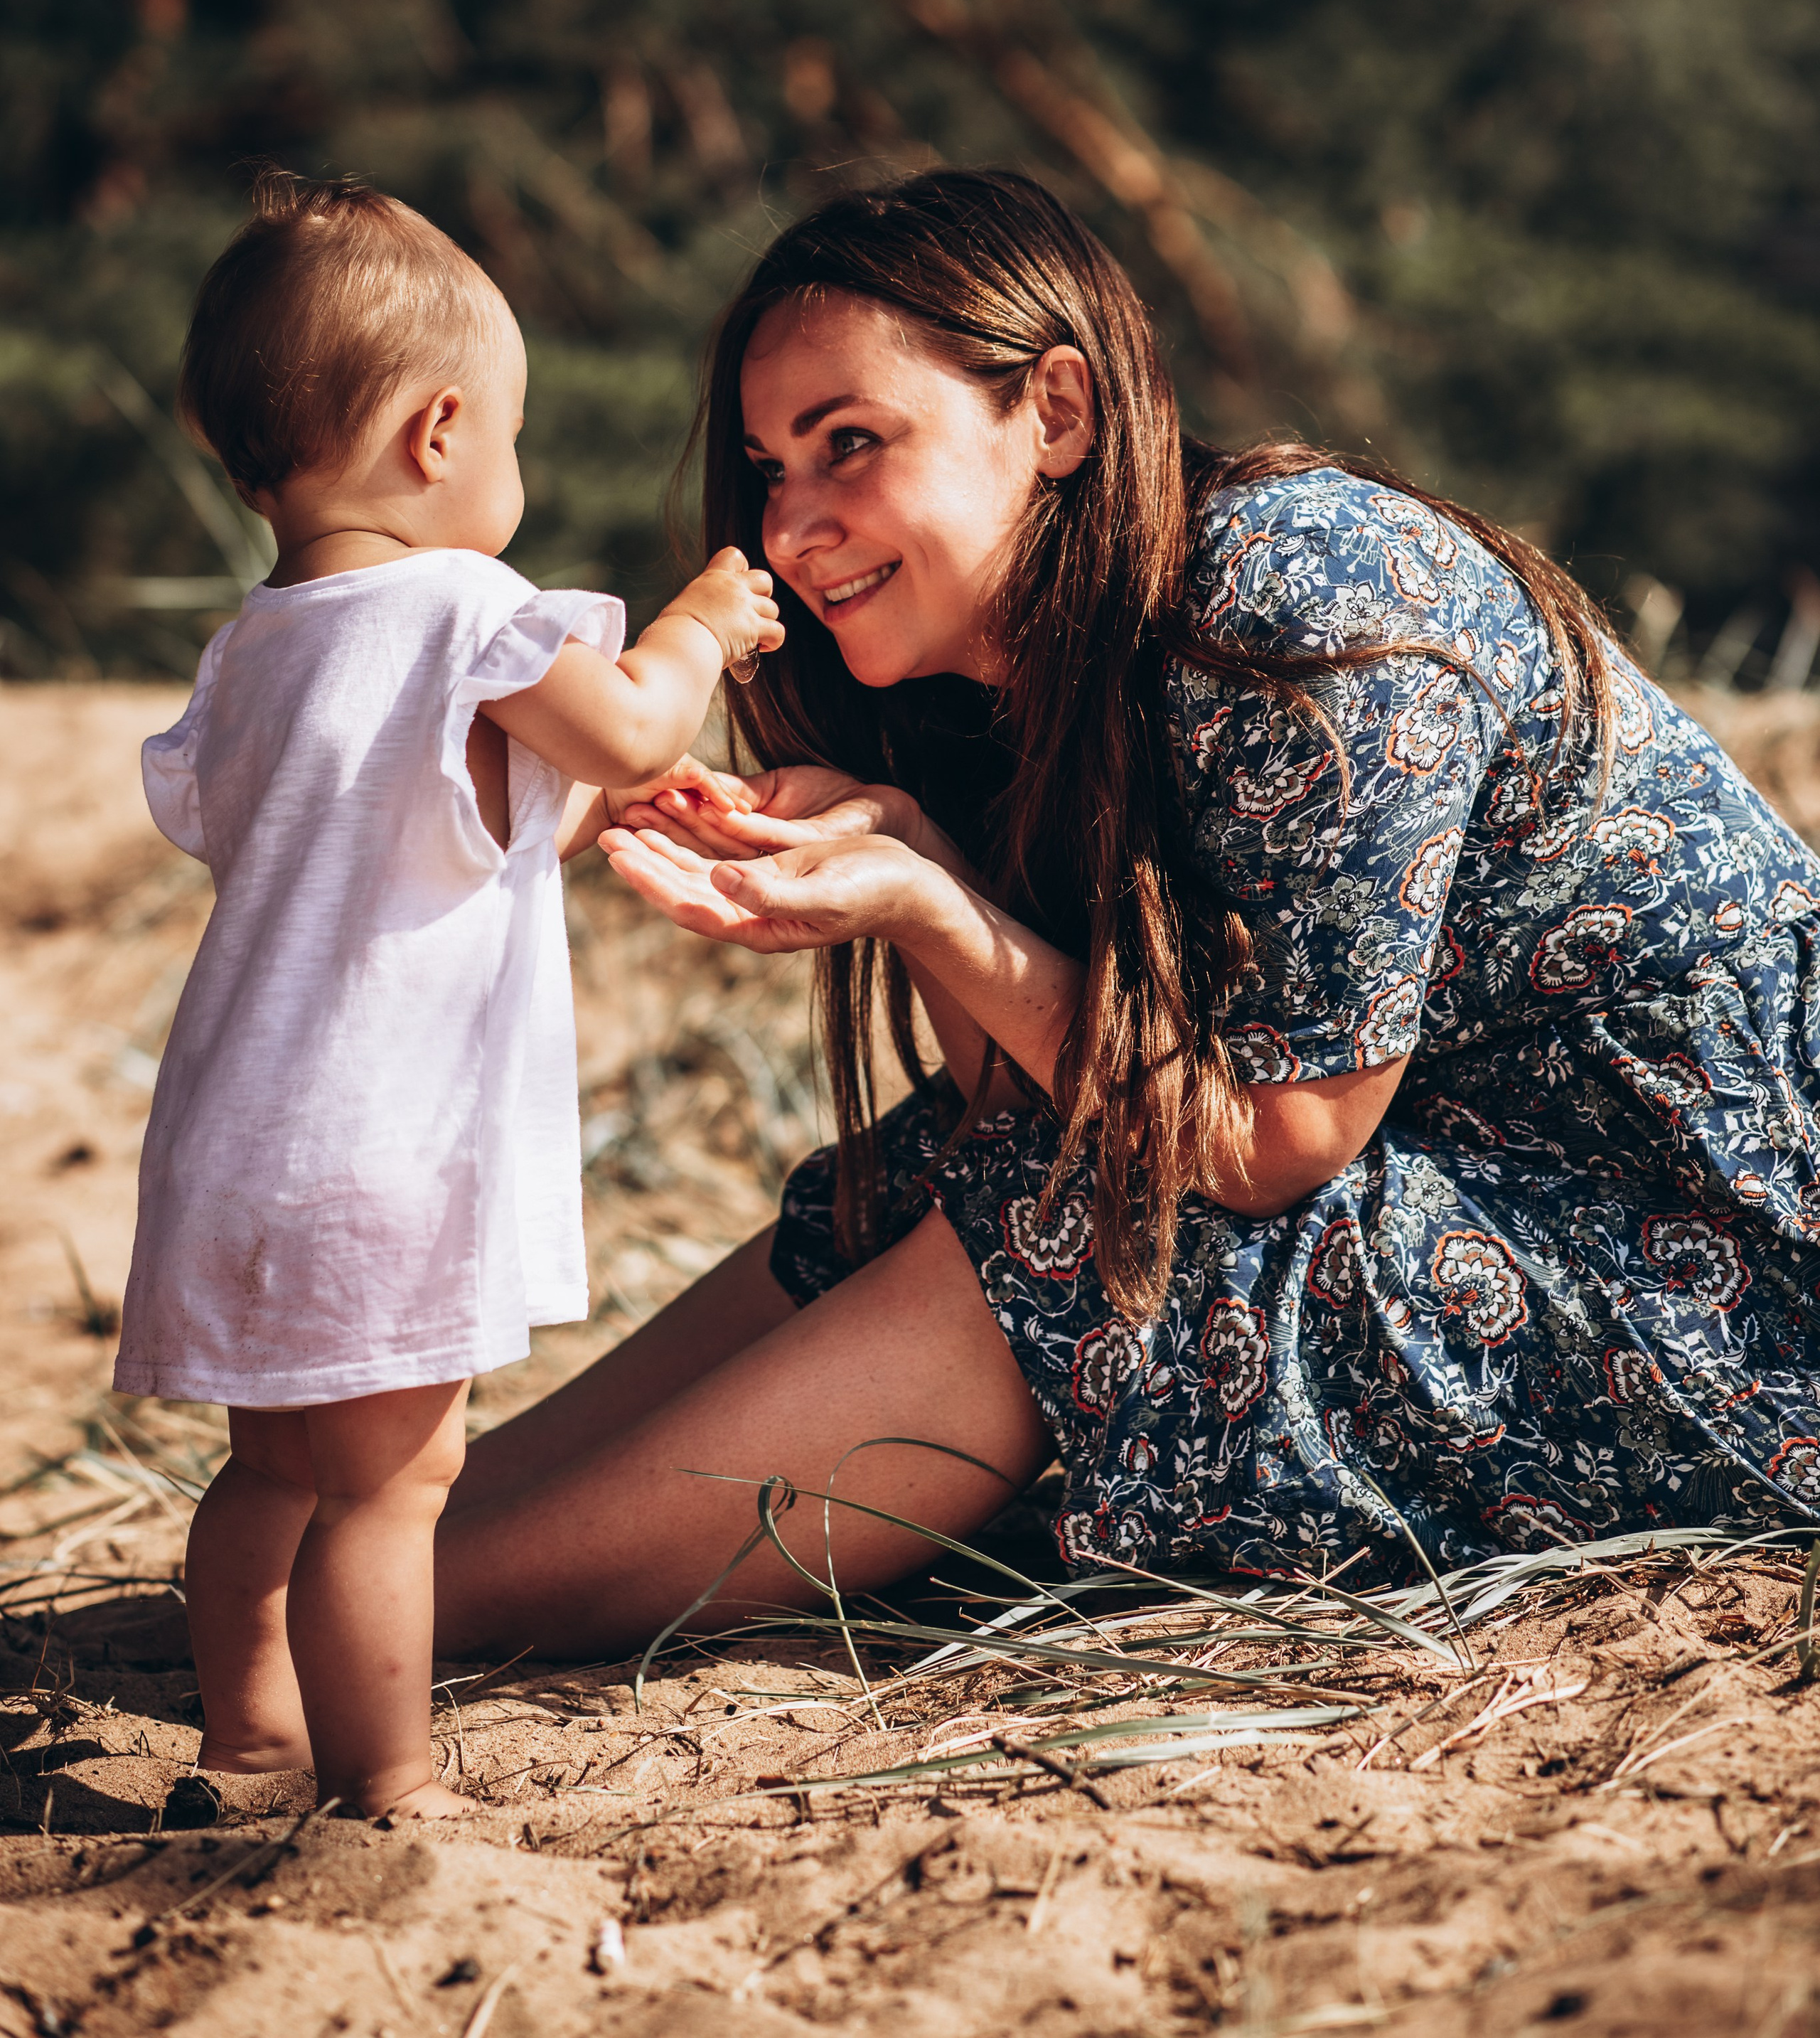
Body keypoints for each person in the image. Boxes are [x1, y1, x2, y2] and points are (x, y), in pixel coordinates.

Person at [434, 166, 1820, 1662]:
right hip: (1479, 1182)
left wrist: (928, 903)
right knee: (927, 1178)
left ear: (1056, 412)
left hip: (1709, 1264)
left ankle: (399, 1615)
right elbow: (1012, 1099)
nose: (788, 527)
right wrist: (911, 859)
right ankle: (380, 1557)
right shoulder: (1011, 670)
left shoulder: (1299, 607)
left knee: (1078, 1229)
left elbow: (1275, 1146)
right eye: (772, 465)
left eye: (852, 443)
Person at [117, 173, 779, 1818]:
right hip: (375, 1153)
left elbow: (416, 822)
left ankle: (245, 1738)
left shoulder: (255, 648)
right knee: (396, 1485)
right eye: (513, 437)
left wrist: (580, 796)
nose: (514, 474)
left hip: (228, 1146)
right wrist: (698, 627)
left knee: (267, 1466)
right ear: (436, 433)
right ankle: (386, 1782)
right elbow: (625, 724)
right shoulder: (469, 605)